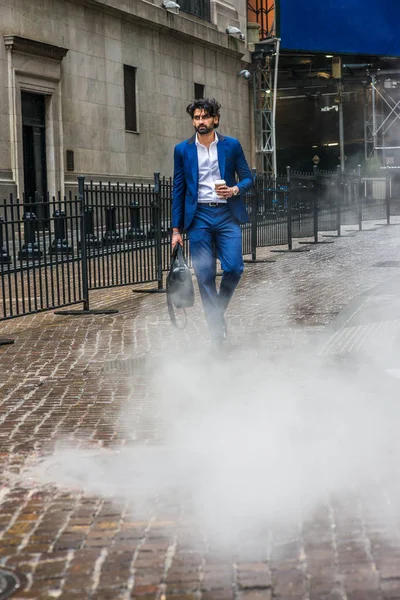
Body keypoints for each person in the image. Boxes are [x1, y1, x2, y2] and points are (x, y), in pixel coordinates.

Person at [171, 98, 253, 344]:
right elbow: (178, 189)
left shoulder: (231, 146)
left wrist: (234, 190)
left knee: (234, 268)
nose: (200, 122)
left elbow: (248, 178)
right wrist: (176, 231)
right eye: (196, 118)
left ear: (215, 119)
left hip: (227, 214)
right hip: (199, 218)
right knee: (205, 274)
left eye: (205, 117)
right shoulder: (182, 150)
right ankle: (217, 330)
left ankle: (216, 313)